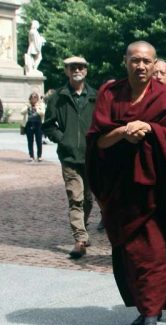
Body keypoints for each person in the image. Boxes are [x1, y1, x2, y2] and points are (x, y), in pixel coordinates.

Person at [86, 41, 166, 325]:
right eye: (135, 60)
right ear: (125, 62)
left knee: (155, 255)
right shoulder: (110, 94)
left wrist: (150, 129)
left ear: (155, 63)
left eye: (147, 61)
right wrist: (124, 132)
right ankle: (147, 309)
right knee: (132, 256)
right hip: (123, 194)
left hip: (160, 193)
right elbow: (98, 143)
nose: (141, 66)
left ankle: (150, 319)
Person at [41, 56, 97, 259]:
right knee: (76, 198)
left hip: (91, 157)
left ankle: (83, 227)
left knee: (89, 199)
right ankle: (80, 239)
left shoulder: (95, 96)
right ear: (66, 71)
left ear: (86, 70)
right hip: (69, 157)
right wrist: (63, 139)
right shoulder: (59, 96)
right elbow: (48, 124)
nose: (77, 70)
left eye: (81, 66)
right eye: (72, 67)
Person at [21, 92, 45, 162]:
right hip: (29, 124)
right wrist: (28, 107)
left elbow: (43, 113)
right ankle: (31, 156)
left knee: (39, 141)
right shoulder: (27, 105)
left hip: (38, 124)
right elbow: (21, 112)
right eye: (32, 97)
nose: (33, 99)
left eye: (35, 97)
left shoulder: (41, 104)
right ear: (30, 98)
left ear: (37, 98)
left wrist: (36, 108)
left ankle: (39, 156)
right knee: (30, 141)